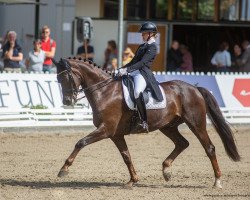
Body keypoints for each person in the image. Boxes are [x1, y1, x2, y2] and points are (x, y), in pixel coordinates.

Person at [119, 22, 163, 131]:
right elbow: (133, 61)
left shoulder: (153, 47)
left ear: (150, 34)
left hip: (143, 73)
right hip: (134, 71)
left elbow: (143, 62)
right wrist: (121, 69)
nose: (141, 35)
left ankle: (144, 122)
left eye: (143, 33)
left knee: (137, 92)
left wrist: (127, 70)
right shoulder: (142, 46)